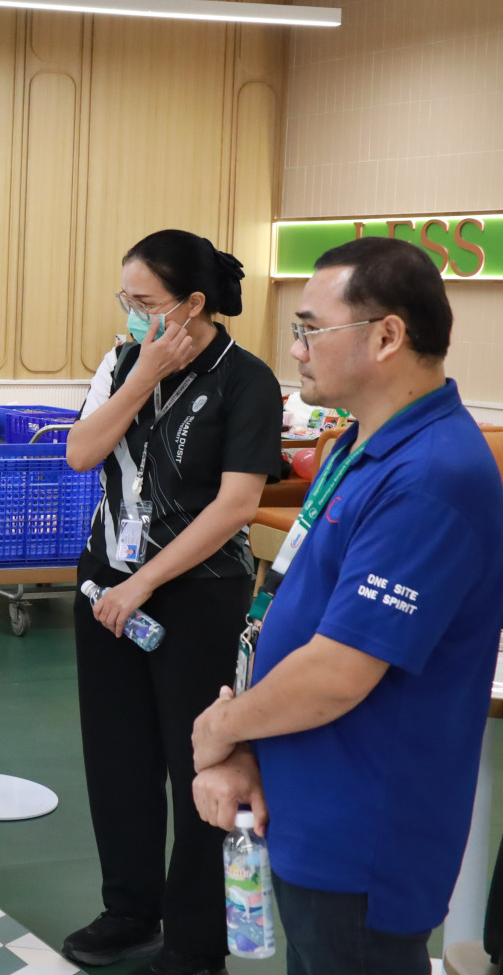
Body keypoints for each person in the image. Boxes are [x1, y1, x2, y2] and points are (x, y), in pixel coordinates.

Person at [192, 237, 503, 975]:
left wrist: (220, 728)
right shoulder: (355, 447)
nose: (295, 349)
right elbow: (298, 613)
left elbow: (338, 673)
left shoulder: (433, 475)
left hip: (363, 832)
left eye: (310, 329)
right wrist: (248, 750)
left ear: (387, 336)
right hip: (306, 798)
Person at [60, 229, 282, 975]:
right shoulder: (122, 361)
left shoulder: (246, 380)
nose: (132, 314)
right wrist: (141, 374)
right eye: (126, 300)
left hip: (196, 596)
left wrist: (144, 583)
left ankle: (194, 941)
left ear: (193, 303)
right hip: (105, 587)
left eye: (146, 302)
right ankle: (128, 909)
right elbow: (81, 452)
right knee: (116, 758)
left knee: (201, 766)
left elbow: (236, 505)